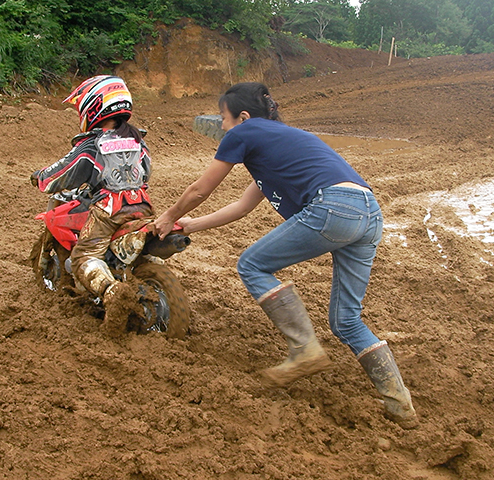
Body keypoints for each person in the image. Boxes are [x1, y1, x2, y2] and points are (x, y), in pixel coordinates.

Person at [153, 82, 418, 428]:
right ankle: (400, 405)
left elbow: (199, 188)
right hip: (368, 213)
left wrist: (168, 216)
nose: (221, 126)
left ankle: (304, 350)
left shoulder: (244, 133)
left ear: (244, 117)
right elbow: (241, 207)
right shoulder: (279, 144)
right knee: (346, 321)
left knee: (251, 264)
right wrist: (191, 225)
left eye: (223, 117)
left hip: (333, 207)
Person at [31, 75, 153, 306]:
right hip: (142, 206)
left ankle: (111, 291)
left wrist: (41, 177)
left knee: (82, 258)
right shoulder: (138, 140)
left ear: (93, 105)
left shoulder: (92, 144)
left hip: (109, 210)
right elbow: (146, 173)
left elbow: (62, 173)